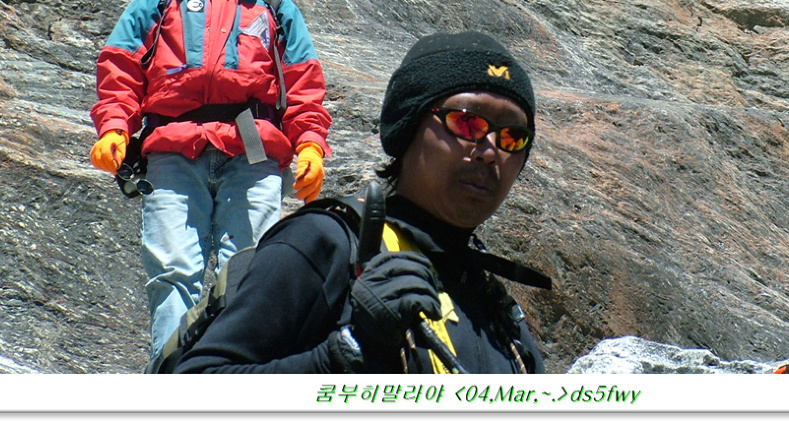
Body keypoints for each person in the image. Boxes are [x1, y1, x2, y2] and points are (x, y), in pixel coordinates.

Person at [174, 31, 549, 374]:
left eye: (513, 138)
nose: (490, 151)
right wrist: (343, 353)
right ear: (409, 124)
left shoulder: (500, 316)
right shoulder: (325, 244)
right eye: (467, 123)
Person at [89, 0, 332, 365]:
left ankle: (237, 378)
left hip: (255, 151)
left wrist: (310, 144)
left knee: (251, 269)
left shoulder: (274, 2)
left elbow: (303, 81)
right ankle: (171, 383)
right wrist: (114, 126)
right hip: (173, 150)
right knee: (172, 267)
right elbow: (119, 65)